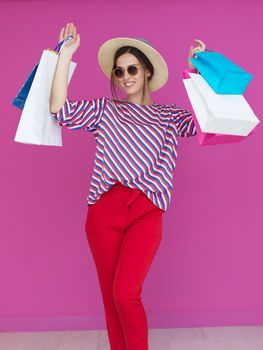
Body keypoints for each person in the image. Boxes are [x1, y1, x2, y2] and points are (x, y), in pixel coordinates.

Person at [50, 22, 206, 350]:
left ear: (147, 71)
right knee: (111, 298)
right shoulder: (105, 110)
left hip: (146, 213)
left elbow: (205, 122)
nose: (125, 77)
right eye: (119, 72)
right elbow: (59, 111)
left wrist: (199, 70)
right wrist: (65, 57)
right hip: (103, 212)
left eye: (132, 68)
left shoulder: (169, 116)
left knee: (126, 293)